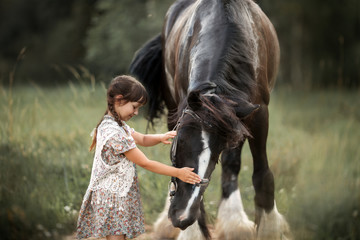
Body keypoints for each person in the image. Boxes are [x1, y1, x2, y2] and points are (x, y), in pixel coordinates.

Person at [76, 75, 201, 240]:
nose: (136, 112)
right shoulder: (115, 133)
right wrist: (178, 173)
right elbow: (146, 163)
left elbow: (141, 138)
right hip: (112, 197)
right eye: (134, 107)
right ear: (119, 100)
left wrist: (161, 136)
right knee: (116, 237)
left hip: (116, 194)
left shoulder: (116, 125)